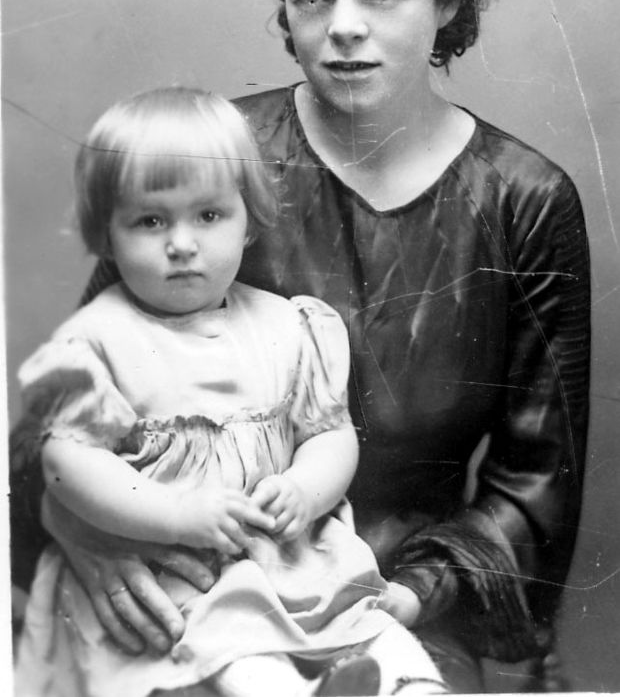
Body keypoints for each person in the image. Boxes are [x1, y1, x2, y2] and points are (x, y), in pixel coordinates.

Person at [10, 0, 591, 693]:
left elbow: (533, 490)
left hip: (404, 593)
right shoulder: (215, 162)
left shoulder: (524, 199)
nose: (342, 25)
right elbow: (66, 413)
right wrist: (85, 532)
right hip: (189, 574)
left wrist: (407, 596)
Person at [14, 88, 445, 697]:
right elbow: (65, 461)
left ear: (248, 222)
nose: (181, 243)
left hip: (290, 558)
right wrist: (175, 514)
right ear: (107, 235)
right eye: (150, 221)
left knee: (373, 627)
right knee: (237, 651)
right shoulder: (98, 340)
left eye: (209, 216)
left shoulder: (289, 325)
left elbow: (328, 433)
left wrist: (305, 488)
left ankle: (413, 685)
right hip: (178, 569)